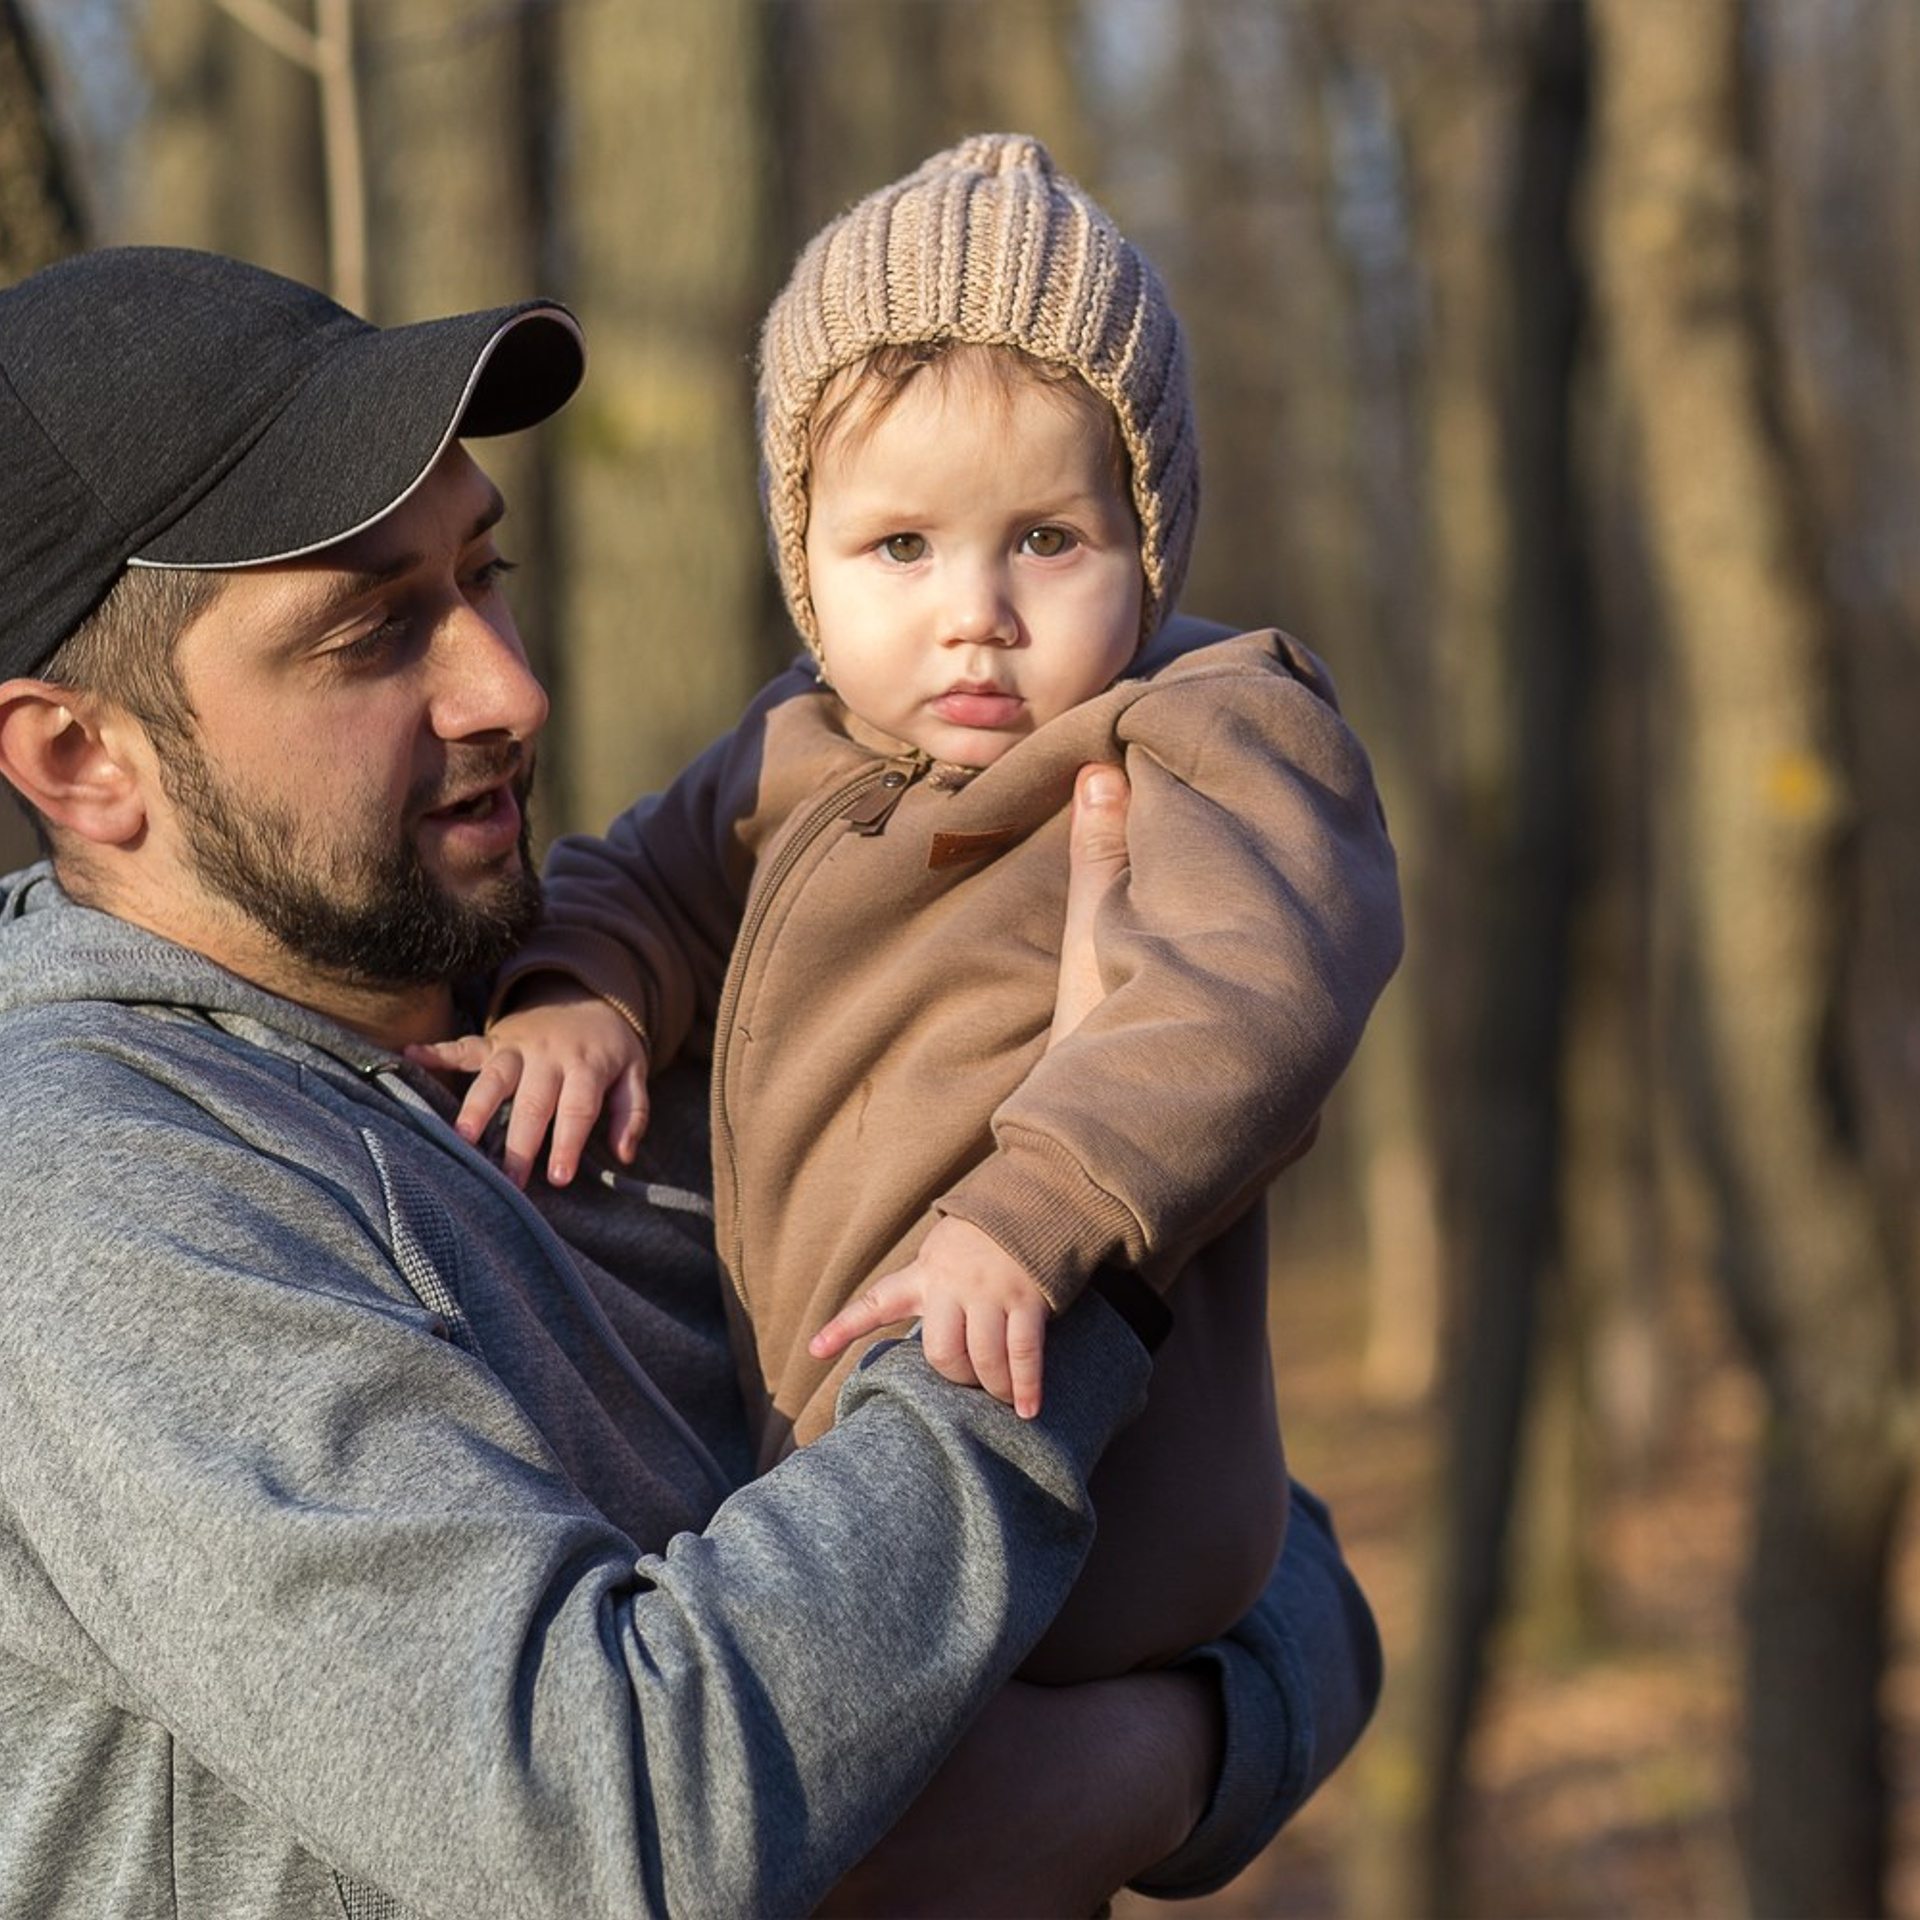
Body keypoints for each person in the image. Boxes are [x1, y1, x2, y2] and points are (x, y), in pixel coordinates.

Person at [0, 243, 1381, 1919]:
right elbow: (623, 1816)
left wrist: (1157, 1768)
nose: (512, 689)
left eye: (485, 576)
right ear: (80, 759)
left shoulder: (612, 1041)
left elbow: (1295, 1575)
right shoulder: (92, 1190)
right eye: (372, 634)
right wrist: (1073, 1244)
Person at [423, 135, 1404, 1682]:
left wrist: (1037, 1211)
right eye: (900, 547)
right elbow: (641, 882)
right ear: (807, 564)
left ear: (1149, 541)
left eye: (1048, 541)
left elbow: (1247, 998)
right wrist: (581, 996)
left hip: (1107, 1476)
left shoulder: (1208, 730)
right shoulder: (792, 750)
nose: (976, 615)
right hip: (828, 1481)